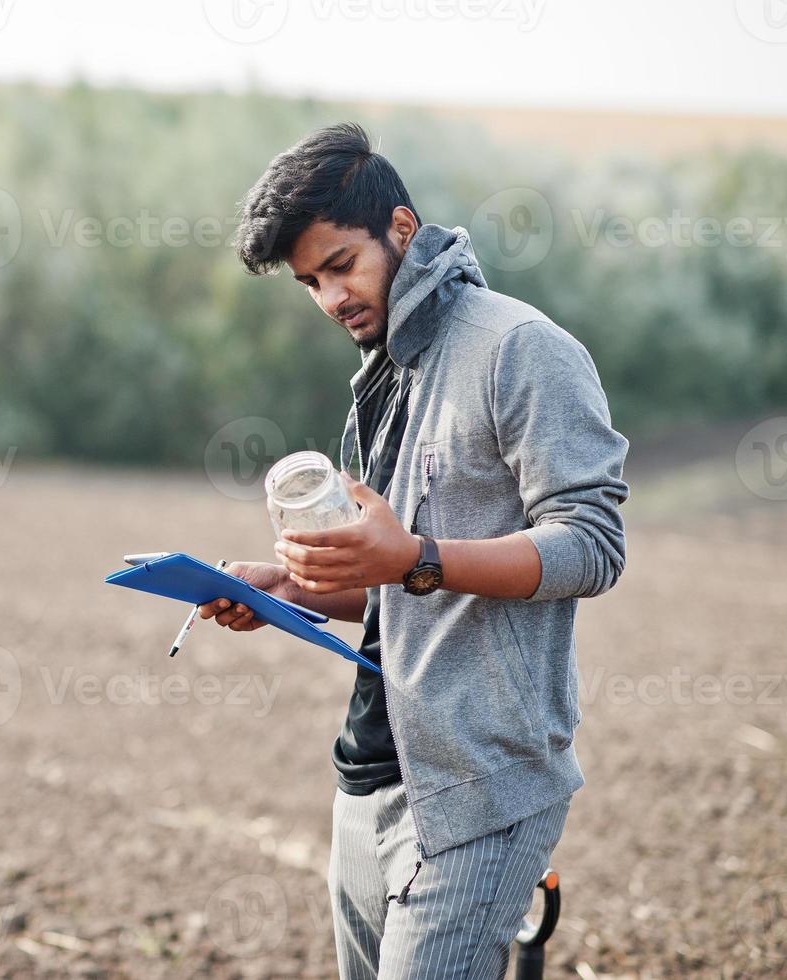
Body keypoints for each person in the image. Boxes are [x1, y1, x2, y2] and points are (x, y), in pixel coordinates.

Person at [200, 123, 629, 979]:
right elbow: (398, 579)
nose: (329, 298)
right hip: (366, 779)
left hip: (480, 790)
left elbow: (591, 546)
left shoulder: (518, 349)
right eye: (309, 282)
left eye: (340, 265)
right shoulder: (387, 368)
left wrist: (409, 558)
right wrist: (284, 588)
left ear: (401, 227)